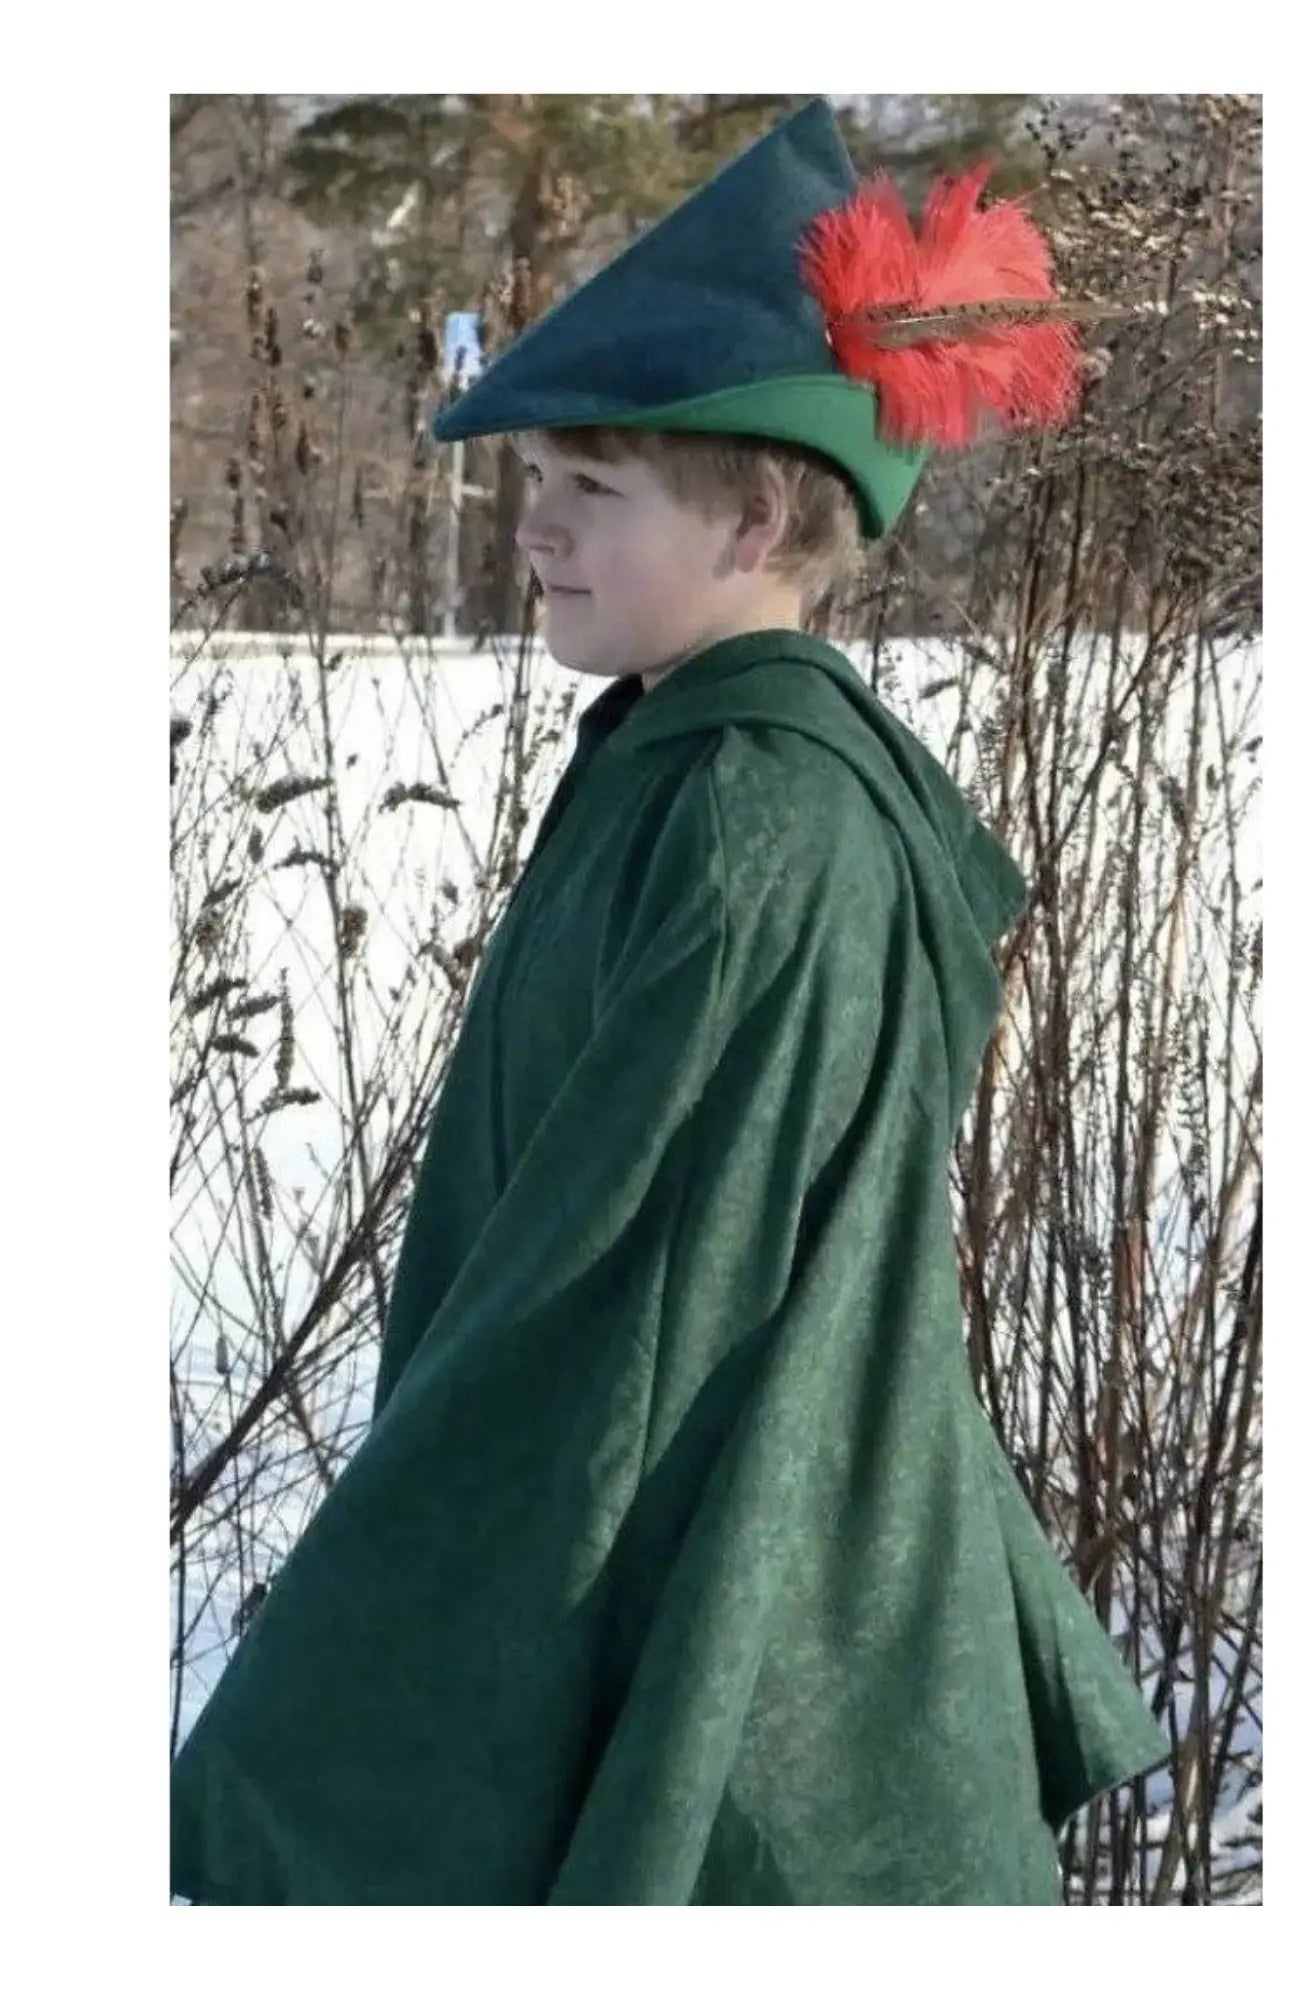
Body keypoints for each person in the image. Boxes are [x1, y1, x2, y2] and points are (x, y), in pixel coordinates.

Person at [170, 95, 1169, 1905]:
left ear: (762, 513)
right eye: (534, 484)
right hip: (712, 1566)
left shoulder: (756, 820)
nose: (531, 531)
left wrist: (374, 1647)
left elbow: (635, 1313)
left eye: (590, 491)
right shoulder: (676, 759)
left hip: (748, 1634)